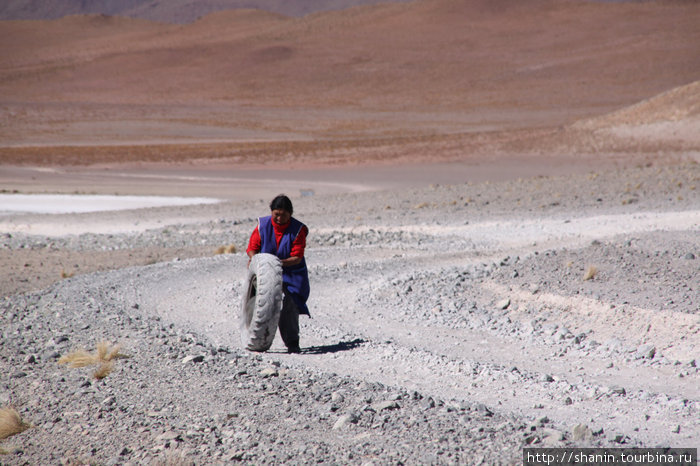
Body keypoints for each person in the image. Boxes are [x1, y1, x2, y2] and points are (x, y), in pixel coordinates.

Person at [246, 194, 310, 353]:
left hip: (292, 272)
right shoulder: (263, 225)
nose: (280, 218)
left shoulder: (298, 230)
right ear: (271, 212)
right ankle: (254, 336)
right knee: (257, 299)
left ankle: (292, 342)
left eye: (284, 215)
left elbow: (297, 257)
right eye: (276, 214)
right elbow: (252, 248)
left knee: (291, 303)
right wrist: (258, 263)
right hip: (264, 271)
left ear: (291, 213)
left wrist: (275, 264)